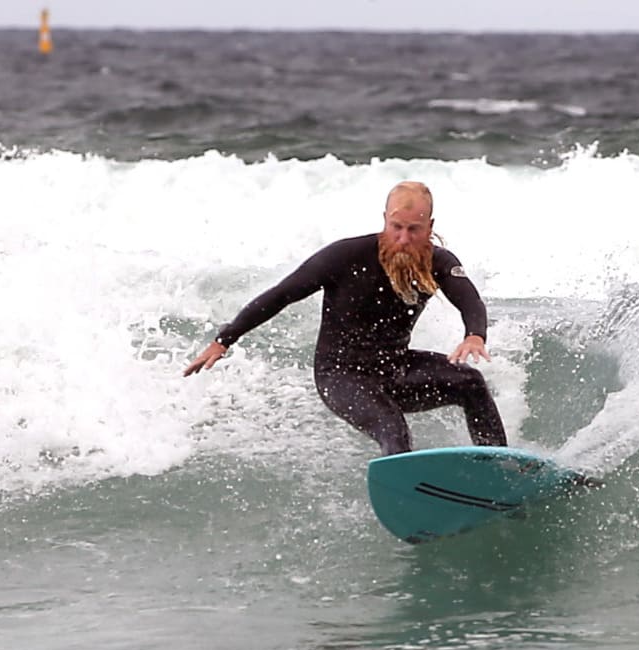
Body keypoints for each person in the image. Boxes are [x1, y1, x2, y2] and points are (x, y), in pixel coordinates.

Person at [183, 181, 508, 457]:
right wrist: (224, 339)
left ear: (430, 227)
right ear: (384, 220)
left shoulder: (439, 261)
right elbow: (281, 294)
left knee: (471, 383)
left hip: (395, 368)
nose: (404, 239)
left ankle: (498, 467)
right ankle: (406, 496)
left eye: (414, 229)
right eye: (397, 227)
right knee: (392, 428)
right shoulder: (345, 257)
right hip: (341, 376)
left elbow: (470, 300)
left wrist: (474, 335)